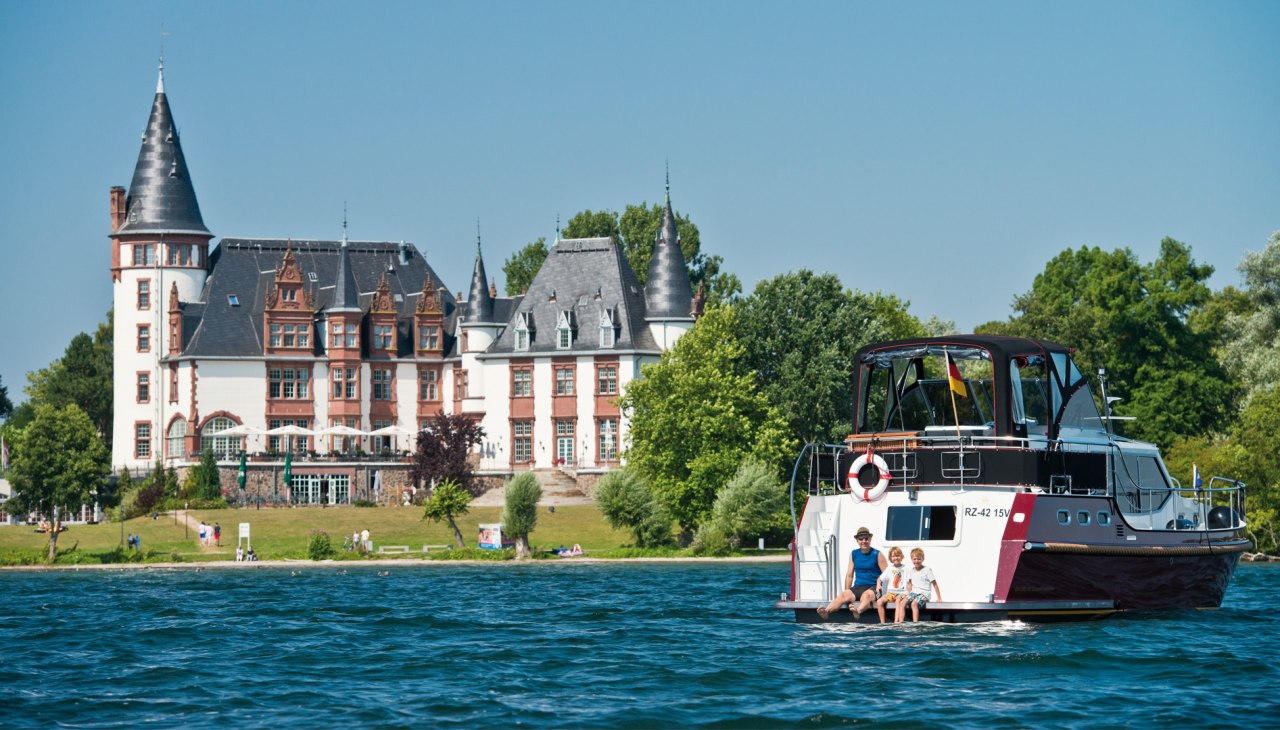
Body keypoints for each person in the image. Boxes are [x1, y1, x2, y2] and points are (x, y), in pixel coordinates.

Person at [816, 526, 887, 620]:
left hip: (873, 586)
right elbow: (849, 575)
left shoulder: (877, 554)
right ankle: (826, 612)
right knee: (843, 595)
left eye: (866, 538)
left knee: (866, 596)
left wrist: (883, 590)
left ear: (870, 539)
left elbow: (887, 574)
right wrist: (847, 591)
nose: (864, 541)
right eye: (861, 539)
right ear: (857, 541)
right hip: (858, 586)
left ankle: (858, 611)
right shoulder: (854, 554)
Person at [905, 547, 943, 622]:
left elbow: (934, 584)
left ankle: (915, 623)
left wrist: (939, 598)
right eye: (915, 559)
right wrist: (908, 594)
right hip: (914, 593)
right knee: (902, 602)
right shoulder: (911, 570)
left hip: (924, 594)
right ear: (912, 559)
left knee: (914, 603)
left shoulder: (927, 570)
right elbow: (910, 583)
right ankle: (899, 622)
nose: (916, 561)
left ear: (922, 559)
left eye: (919, 559)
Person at [875, 546, 910, 624]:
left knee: (898, 601)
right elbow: (879, 578)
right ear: (891, 558)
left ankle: (897, 622)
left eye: (898, 556)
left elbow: (909, 582)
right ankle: (882, 623)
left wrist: (909, 593)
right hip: (891, 593)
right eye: (894, 556)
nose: (896, 558)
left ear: (901, 557)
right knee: (879, 602)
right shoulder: (889, 568)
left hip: (902, 593)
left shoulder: (906, 568)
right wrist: (878, 585)